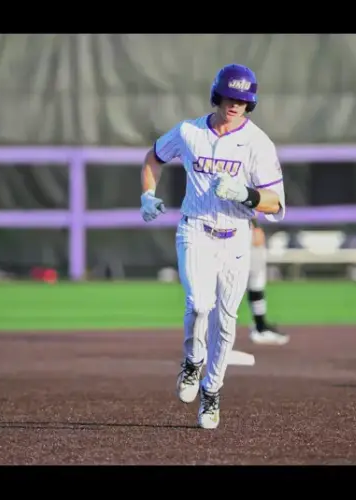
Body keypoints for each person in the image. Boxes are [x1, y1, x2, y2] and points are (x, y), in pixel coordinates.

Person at [139, 63, 287, 430]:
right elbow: (154, 157)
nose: (235, 104)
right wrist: (147, 194)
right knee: (198, 303)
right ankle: (192, 361)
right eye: (229, 97)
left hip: (235, 235)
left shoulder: (257, 143)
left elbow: (276, 203)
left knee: (225, 321)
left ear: (250, 103)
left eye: (242, 100)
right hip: (195, 229)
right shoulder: (189, 132)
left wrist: (246, 194)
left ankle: (212, 390)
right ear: (216, 95)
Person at [247, 217, 290, 346]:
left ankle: (260, 326)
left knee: (255, 282)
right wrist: (254, 227)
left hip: (236, 231)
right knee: (253, 281)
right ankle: (260, 328)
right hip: (240, 231)